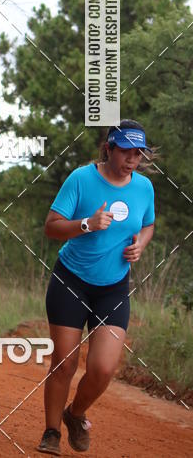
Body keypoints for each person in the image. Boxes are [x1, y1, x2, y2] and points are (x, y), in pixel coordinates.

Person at [36, 119, 156, 455]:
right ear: (109, 148)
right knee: (65, 362)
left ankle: (74, 415)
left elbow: (148, 224)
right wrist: (87, 224)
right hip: (70, 280)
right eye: (126, 151)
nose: (132, 159)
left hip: (113, 287)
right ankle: (51, 433)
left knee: (103, 368)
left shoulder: (144, 187)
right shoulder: (81, 178)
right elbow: (51, 227)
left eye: (138, 153)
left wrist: (141, 244)